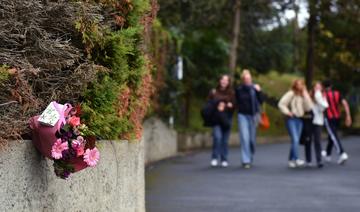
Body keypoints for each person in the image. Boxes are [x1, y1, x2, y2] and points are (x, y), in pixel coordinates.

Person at [278, 79, 313, 168]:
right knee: (295, 139)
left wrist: (305, 94)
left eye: (301, 84)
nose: (300, 86)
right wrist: (287, 112)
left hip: (300, 120)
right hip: (291, 119)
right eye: (298, 84)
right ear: (295, 85)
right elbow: (281, 104)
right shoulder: (291, 93)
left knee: (295, 140)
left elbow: (309, 108)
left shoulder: (302, 95)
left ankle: (291, 160)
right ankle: (296, 159)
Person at [235, 70, 264, 169]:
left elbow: (261, 101)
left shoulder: (255, 88)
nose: (248, 80)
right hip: (242, 115)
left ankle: (250, 154)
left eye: (249, 78)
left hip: (253, 115)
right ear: (243, 80)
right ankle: (245, 160)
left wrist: (259, 91)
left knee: (251, 139)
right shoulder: (239, 89)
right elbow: (236, 101)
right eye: (246, 79)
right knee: (244, 138)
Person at [321, 80, 352, 164]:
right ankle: (328, 154)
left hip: (328, 118)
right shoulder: (337, 93)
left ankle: (342, 153)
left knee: (333, 135)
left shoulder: (323, 95)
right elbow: (345, 104)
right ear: (331, 86)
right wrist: (348, 115)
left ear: (323, 86)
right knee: (332, 134)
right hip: (337, 117)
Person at [208, 75, 235, 167]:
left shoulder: (231, 93)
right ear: (219, 81)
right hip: (216, 118)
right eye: (222, 79)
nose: (224, 81)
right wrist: (218, 104)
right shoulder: (213, 92)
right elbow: (209, 105)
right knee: (217, 137)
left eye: (226, 80)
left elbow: (235, 106)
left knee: (225, 140)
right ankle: (214, 157)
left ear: (228, 82)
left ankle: (224, 158)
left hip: (227, 118)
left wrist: (228, 105)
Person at [303, 82, 328, 168]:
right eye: (316, 87)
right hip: (309, 121)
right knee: (308, 140)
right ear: (313, 88)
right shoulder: (309, 97)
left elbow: (324, 107)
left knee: (317, 141)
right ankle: (308, 160)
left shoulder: (322, 97)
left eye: (319, 87)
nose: (317, 88)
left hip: (318, 121)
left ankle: (319, 160)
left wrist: (319, 98)